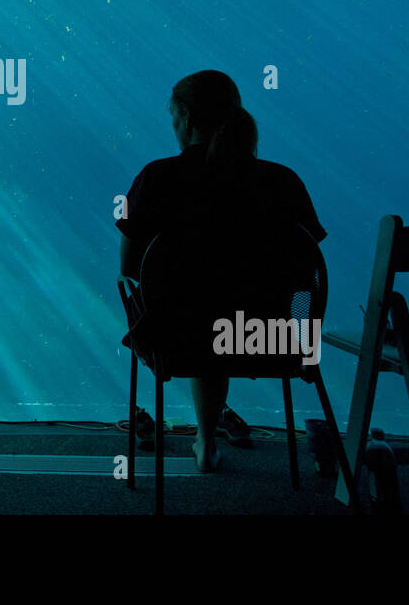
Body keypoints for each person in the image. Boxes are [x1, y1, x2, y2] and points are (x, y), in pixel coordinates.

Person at [115, 70, 327, 472]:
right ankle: (207, 436)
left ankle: (206, 440)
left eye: (173, 117)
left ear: (187, 118)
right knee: (227, 316)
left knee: (200, 316)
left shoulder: (156, 179)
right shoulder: (282, 182)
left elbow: (129, 269)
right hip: (272, 341)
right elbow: (308, 276)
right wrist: (304, 341)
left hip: (179, 341)